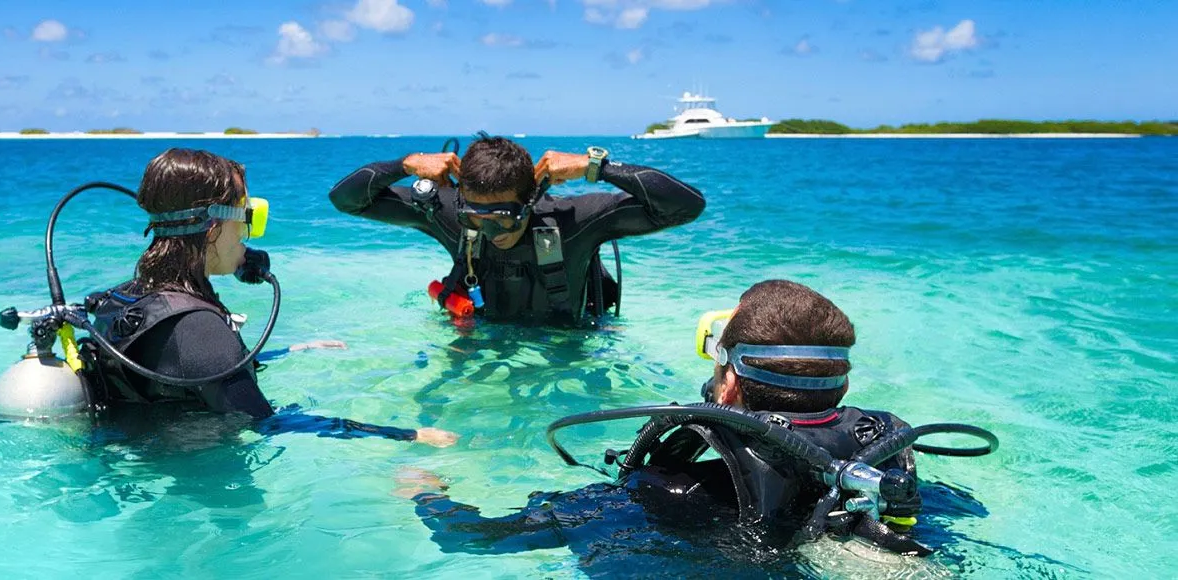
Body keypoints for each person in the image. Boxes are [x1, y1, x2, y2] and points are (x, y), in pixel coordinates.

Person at [399, 281, 997, 571]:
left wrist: (426, 491)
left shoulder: (667, 493)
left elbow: (472, 539)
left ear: (729, 383)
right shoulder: (883, 478)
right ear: (840, 383)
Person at [79, 147, 456, 446]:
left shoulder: (131, 295)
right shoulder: (198, 329)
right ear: (213, 227)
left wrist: (294, 351)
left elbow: (188, 370)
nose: (247, 234)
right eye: (246, 216)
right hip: (204, 498)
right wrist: (405, 435)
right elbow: (266, 423)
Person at [328, 135, 705, 325]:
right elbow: (346, 200)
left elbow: (687, 206)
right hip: (480, 346)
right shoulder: (443, 212)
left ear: (531, 199)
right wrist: (406, 164)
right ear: (461, 203)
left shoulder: (572, 221)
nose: (492, 232)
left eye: (505, 217)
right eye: (475, 218)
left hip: (566, 353)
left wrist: (597, 168)